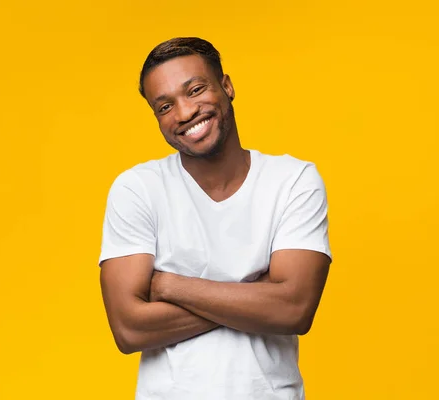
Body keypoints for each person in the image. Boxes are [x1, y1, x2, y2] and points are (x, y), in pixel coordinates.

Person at [98, 37, 332, 400]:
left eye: (195, 89)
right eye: (164, 106)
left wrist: (168, 287)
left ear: (226, 85)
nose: (185, 112)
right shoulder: (137, 189)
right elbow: (129, 330)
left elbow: (295, 310)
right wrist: (258, 295)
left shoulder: (293, 181)